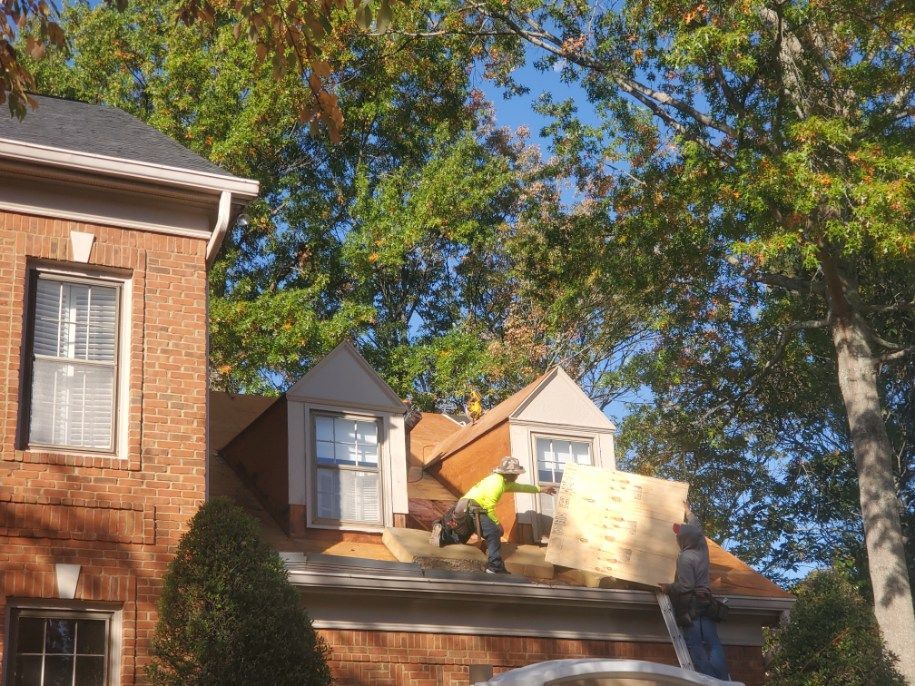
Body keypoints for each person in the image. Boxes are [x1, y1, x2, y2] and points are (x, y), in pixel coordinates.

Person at [430, 456, 556, 574]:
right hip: (473, 508)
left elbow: (521, 487)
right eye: (515, 474)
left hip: (463, 506)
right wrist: (497, 524)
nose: (517, 476)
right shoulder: (497, 483)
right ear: (509, 474)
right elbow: (488, 508)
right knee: (494, 532)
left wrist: (541, 489)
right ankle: (495, 567)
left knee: (460, 538)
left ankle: (441, 534)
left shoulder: (502, 481)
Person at [660, 504, 730, 680]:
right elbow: (696, 527)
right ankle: (722, 679)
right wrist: (688, 511)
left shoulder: (686, 558)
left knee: (695, 644)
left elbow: (686, 586)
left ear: (684, 541)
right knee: (712, 641)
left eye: (679, 538)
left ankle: (709, 680)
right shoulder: (702, 546)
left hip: (693, 604)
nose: (677, 540)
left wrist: (668, 587)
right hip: (706, 601)